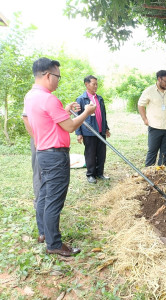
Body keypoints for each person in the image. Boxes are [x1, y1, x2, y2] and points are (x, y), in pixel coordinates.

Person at [23, 57, 96, 257]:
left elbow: (47, 121)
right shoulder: (48, 98)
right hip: (55, 156)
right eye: (57, 76)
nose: (58, 80)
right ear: (48, 75)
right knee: (54, 200)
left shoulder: (31, 96)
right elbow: (71, 126)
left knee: (45, 195)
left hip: (43, 152)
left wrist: (64, 111)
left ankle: (44, 233)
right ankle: (54, 243)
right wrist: (88, 112)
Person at [138, 70, 166, 167]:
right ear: (159, 79)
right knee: (152, 151)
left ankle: (161, 172)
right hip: (155, 127)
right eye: (165, 81)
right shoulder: (149, 91)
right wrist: (144, 119)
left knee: (165, 152)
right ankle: (148, 173)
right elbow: (140, 105)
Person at [75, 75, 111, 184]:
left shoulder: (99, 98)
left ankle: (99, 173)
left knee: (101, 153)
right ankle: (90, 174)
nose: (96, 86)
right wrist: (79, 133)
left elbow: (103, 115)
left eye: (96, 84)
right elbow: (76, 116)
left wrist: (106, 128)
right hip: (88, 131)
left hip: (101, 131)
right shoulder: (81, 99)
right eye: (93, 84)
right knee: (90, 153)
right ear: (87, 84)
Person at [22, 113, 42, 211]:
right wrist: (35, 138)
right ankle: (39, 201)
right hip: (39, 137)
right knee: (38, 170)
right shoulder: (31, 97)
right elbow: (25, 118)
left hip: (50, 137)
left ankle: (46, 199)